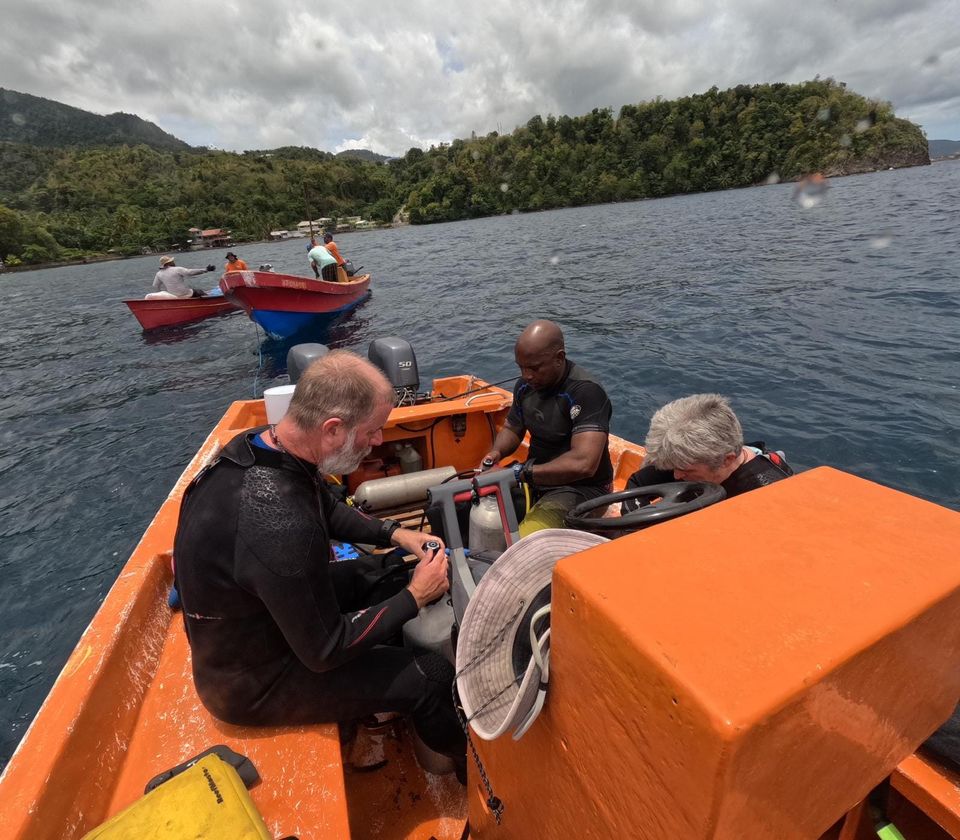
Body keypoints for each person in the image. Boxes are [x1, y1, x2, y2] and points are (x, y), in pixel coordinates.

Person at [173, 350, 465, 765]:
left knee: (386, 571)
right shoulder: (280, 524)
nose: (379, 441)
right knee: (431, 678)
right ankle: (474, 777)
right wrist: (416, 598)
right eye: (373, 431)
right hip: (255, 682)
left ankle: (379, 689)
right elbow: (326, 649)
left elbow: (325, 506)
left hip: (266, 624)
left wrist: (395, 533)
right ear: (332, 429)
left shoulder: (263, 446)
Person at [478, 320, 613, 536]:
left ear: (559, 358)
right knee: (462, 509)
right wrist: (497, 452)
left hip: (582, 488)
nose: (526, 375)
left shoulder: (586, 392)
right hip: (534, 480)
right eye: (521, 367)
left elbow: (584, 463)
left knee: (526, 539)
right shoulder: (525, 386)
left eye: (534, 368)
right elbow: (513, 426)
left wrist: (519, 473)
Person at [624, 394, 793, 509]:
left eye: (686, 470)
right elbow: (638, 484)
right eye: (674, 468)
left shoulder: (766, 494)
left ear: (727, 460)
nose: (675, 476)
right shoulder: (686, 459)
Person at [146, 255, 215, 299]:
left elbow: (155, 286)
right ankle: (212, 300)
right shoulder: (177, 269)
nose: (173, 262)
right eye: (172, 261)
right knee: (199, 291)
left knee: (194, 291)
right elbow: (190, 272)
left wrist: (162, 295)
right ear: (169, 263)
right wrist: (206, 269)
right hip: (184, 293)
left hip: (173, 295)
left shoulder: (158, 274)